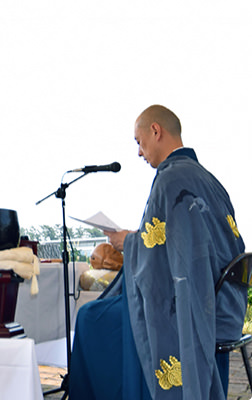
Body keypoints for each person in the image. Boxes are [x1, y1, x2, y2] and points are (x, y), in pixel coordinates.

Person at [69, 105, 246, 399]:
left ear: (155, 131)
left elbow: (168, 258)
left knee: (90, 318)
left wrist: (127, 243)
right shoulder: (208, 179)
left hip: (193, 308)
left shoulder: (170, 180)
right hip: (224, 304)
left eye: (139, 142)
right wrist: (138, 239)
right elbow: (182, 246)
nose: (139, 152)